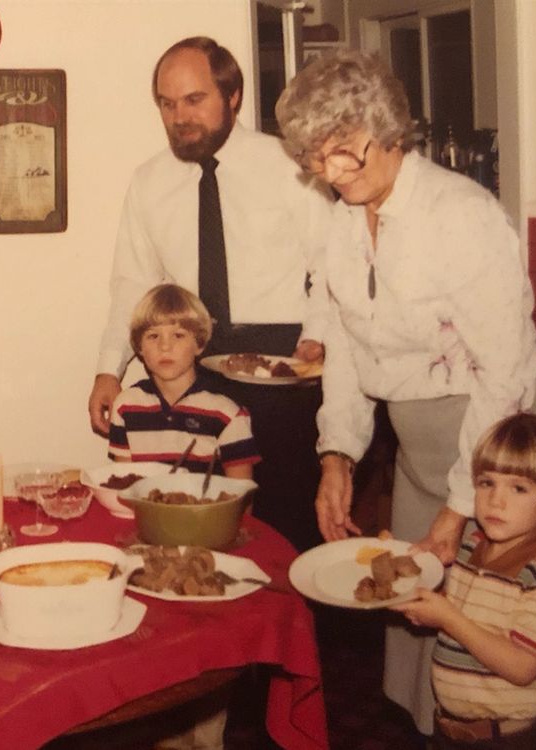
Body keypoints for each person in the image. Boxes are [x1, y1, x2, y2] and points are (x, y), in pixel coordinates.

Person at [274, 48, 536, 735]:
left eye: (345, 153)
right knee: (424, 652)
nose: (331, 172)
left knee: (513, 652)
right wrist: (337, 457)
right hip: (420, 451)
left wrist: (462, 504)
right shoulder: (341, 223)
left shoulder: (459, 215)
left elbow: (504, 372)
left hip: (508, 452)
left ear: (387, 129)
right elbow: (346, 344)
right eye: (316, 157)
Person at [89, 36, 332, 553]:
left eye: (194, 99)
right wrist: (110, 369)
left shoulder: (290, 166)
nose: (180, 117)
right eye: (167, 103)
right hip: (189, 365)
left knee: (286, 527)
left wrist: (315, 340)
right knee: (190, 523)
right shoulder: (149, 182)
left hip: (283, 368)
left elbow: (330, 265)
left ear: (234, 96)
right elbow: (132, 284)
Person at [394, 414, 536, 749]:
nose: (496, 500)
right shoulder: (473, 544)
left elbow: (521, 667)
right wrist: (423, 601)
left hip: (507, 739)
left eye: (518, 488)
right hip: (450, 729)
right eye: (486, 482)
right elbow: (471, 614)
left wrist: (448, 617)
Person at [108, 284, 258, 478]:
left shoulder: (227, 414)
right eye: (153, 336)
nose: (165, 346)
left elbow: (241, 497)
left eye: (178, 335)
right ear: (139, 347)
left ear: (200, 343)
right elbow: (123, 487)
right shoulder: (125, 407)